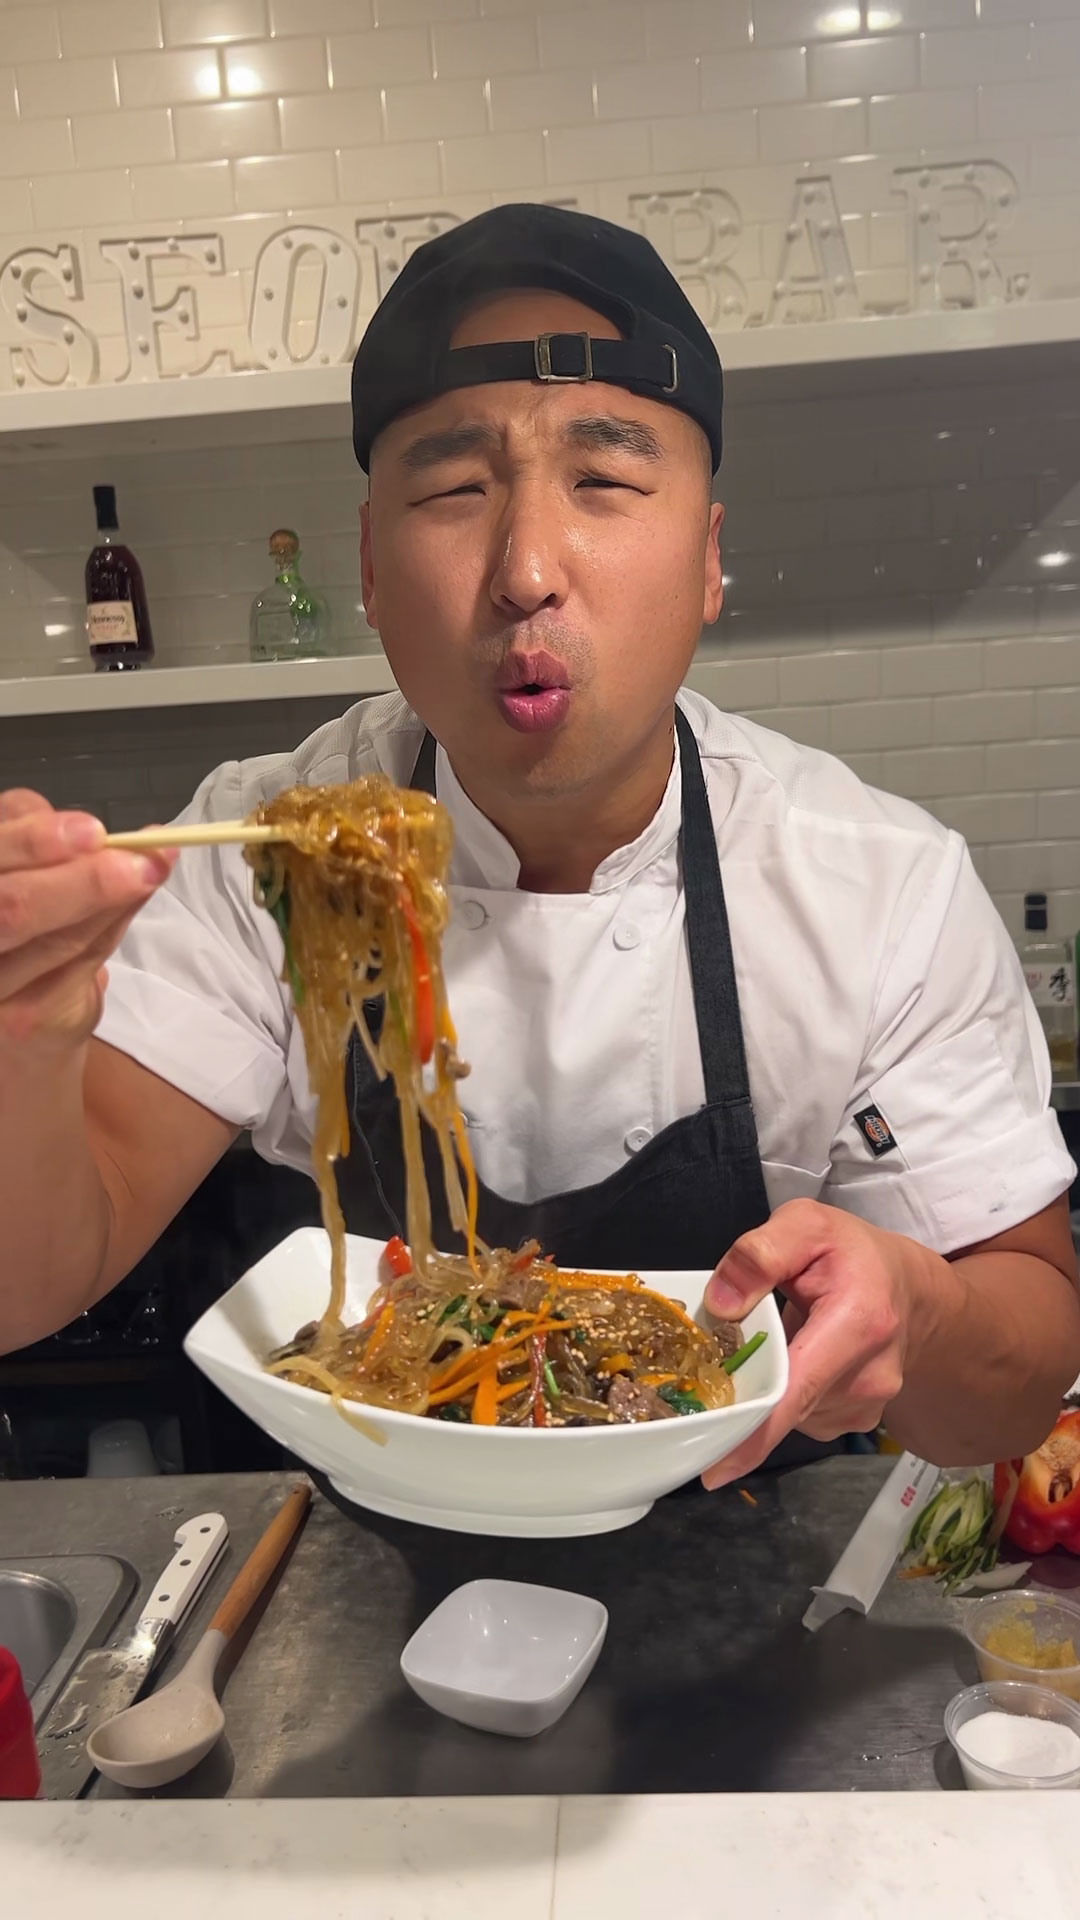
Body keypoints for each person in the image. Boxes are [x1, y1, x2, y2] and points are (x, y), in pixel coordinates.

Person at [2, 205, 1078, 1487]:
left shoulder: (877, 883)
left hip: (747, 1595)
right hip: (341, 1585)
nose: (525, 568)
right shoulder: (268, 853)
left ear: (709, 562)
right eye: (455, 490)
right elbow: (33, 1285)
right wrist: (24, 1039)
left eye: (607, 482)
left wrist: (929, 1311)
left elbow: (1010, 1395)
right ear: (370, 569)